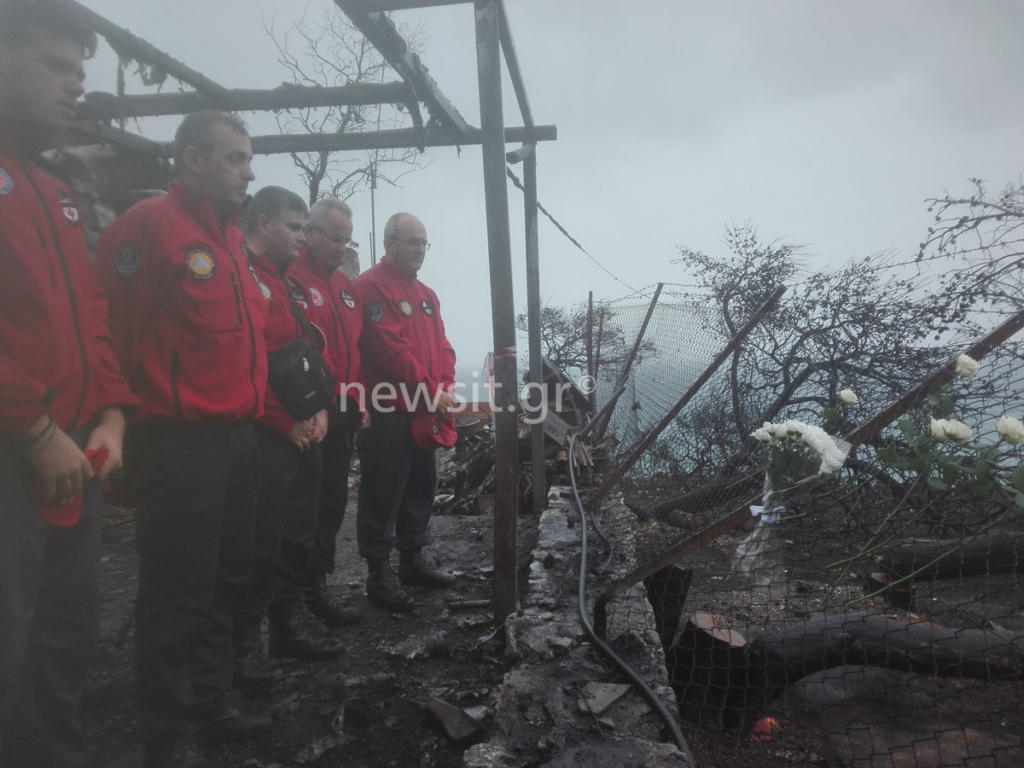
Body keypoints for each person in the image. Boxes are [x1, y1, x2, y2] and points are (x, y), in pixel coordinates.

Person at [96, 110, 268, 768]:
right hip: (179, 442)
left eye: (249, 160)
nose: (248, 172)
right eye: (234, 159)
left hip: (237, 440)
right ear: (191, 161)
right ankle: (166, 737)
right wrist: (120, 433)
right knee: (176, 590)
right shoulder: (146, 230)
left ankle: (212, 702)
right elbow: (116, 335)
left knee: (230, 577)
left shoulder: (229, 239)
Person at [0, 4, 136, 765]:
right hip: (15, 454)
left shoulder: (55, 189)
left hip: (74, 455)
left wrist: (112, 414)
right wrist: (32, 426)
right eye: (56, 68)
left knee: (64, 639)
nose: (74, 88)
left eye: (81, 74)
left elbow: (92, 318)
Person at [236, 186, 344, 671]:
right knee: (262, 537)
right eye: (294, 228)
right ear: (263, 224)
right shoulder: (244, 273)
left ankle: (285, 626)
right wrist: (284, 422)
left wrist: (319, 409)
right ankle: (244, 646)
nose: (301, 239)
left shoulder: (279, 279)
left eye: (304, 229)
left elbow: (302, 350)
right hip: (268, 432)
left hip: (304, 425)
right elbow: (245, 360)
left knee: (298, 529)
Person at [355, 212, 457, 611]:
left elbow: (444, 347)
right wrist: (434, 392)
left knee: (420, 485)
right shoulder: (370, 287)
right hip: (388, 411)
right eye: (412, 241)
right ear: (389, 243)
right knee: (384, 491)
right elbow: (390, 351)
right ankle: (378, 575)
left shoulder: (427, 296)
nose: (419, 250)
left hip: (424, 411)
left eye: (424, 243)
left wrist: (443, 389)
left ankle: (412, 560)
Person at [288, 198, 368, 627]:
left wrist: (359, 399)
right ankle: (293, 595)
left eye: (346, 239)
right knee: (304, 503)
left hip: (342, 408)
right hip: (306, 410)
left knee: (333, 499)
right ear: (310, 231)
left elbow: (354, 351)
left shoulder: (344, 286)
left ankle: (316, 584)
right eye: (335, 237)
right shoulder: (290, 277)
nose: (341, 247)